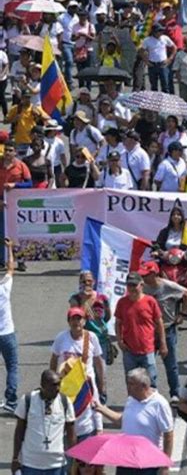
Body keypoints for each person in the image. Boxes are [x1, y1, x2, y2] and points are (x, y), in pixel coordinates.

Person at [95, 368, 173, 475]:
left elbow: (168, 434)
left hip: (148, 463)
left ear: (144, 386)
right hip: (126, 460)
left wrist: (165, 465)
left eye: (132, 384)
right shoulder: (131, 400)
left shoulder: (159, 404)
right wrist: (102, 409)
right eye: (128, 383)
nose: (128, 387)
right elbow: (123, 421)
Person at [139, 260, 187, 405]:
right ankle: (150, 392)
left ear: (154, 274)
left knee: (171, 363)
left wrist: (182, 314)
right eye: (142, 275)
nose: (143, 278)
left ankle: (175, 394)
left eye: (146, 275)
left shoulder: (168, 286)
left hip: (168, 329)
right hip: (148, 331)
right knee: (148, 364)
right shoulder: (142, 288)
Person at [12, 369, 76, 475]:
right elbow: (19, 431)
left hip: (56, 464)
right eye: (53, 385)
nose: (57, 389)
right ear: (43, 385)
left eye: (59, 384)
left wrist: (73, 461)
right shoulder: (28, 400)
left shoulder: (65, 402)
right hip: (31, 464)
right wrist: (15, 458)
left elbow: (71, 433)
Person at [115, 272, 167, 389]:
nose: (132, 288)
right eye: (129, 285)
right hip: (129, 350)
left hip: (147, 349)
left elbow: (159, 323)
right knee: (131, 382)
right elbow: (118, 323)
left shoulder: (150, 301)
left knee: (151, 381)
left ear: (141, 285)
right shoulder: (122, 303)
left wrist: (163, 344)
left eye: (134, 285)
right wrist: (119, 341)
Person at [50, 307, 106, 399]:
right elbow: (54, 359)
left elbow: (98, 362)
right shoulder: (61, 337)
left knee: (94, 411)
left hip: (86, 384)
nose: (76, 322)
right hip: (66, 384)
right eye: (73, 319)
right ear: (69, 322)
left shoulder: (91, 337)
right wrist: (52, 381)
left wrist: (101, 383)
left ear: (84, 321)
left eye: (79, 319)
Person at [0, 141, 32, 269]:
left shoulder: (21, 165)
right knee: (2, 231)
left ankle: (21, 260)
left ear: (15, 152)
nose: (7, 153)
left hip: (17, 203)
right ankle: (2, 260)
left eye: (10, 150)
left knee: (18, 231)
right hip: (2, 202)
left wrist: (15, 185)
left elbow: (29, 183)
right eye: (6, 150)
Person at [68, 271, 112, 360]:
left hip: (100, 338)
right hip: (83, 339)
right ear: (80, 282)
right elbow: (76, 318)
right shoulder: (75, 299)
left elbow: (107, 317)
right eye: (84, 281)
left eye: (89, 281)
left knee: (100, 369)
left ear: (94, 282)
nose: (87, 283)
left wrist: (101, 324)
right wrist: (85, 300)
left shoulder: (102, 298)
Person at [0, 238, 18, 414]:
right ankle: (11, 401)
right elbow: (11, 268)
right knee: (12, 367)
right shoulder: (4, 287)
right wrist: (10, 248)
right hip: (7, 333)